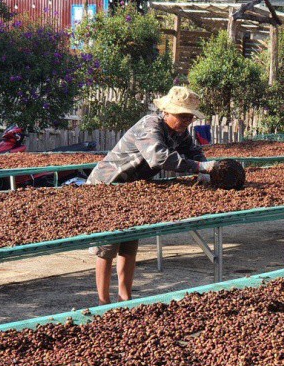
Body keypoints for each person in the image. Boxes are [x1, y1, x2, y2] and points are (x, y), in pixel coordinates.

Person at [86, 86, 217, 305]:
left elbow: (192, 151)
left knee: (129, 243)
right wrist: (199, 168)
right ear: (167, 112)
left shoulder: (180, 132)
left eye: (189, 117)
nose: (186, 121)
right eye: (182, 116)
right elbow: (159, 158)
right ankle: (103, 302)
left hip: (134, 189)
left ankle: (124, 298)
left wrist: (204, 165)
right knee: (107, 246)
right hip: (108, 187)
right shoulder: (150, 126)